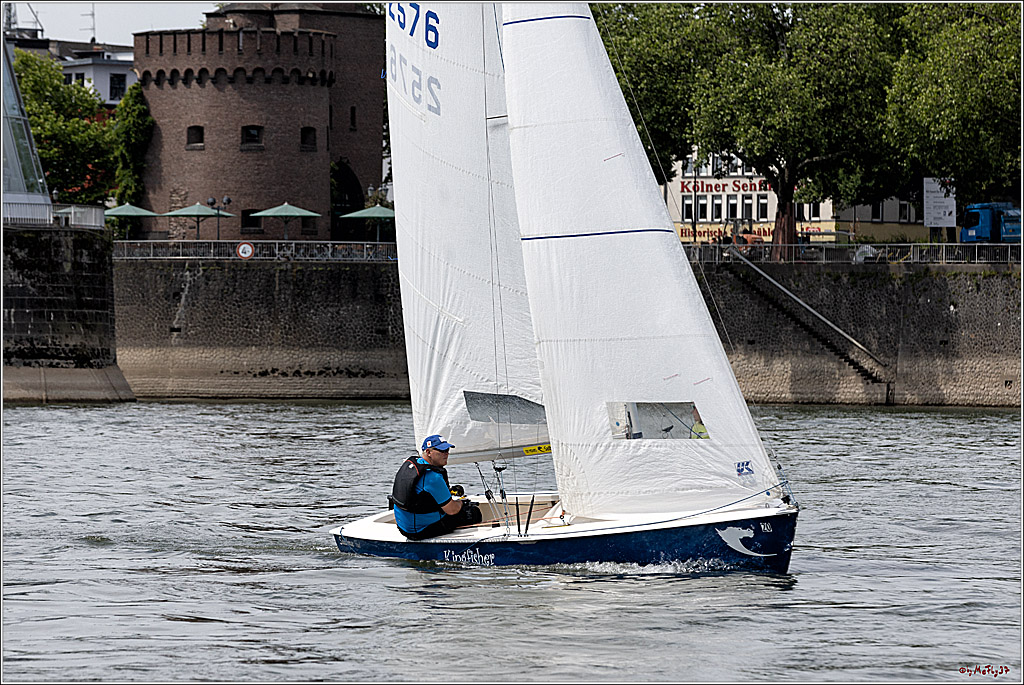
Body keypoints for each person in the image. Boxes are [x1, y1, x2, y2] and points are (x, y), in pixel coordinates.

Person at [391, 434, 482, 540]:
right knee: (473, 513)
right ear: (429, 452)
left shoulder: (412, 464)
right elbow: (452, 510)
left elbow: (422, 494)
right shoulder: (432, 476)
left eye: (447, 450)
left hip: (403, 527)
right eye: (442, 451)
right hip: (419, 531)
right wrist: (462, 503)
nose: (446, 454)